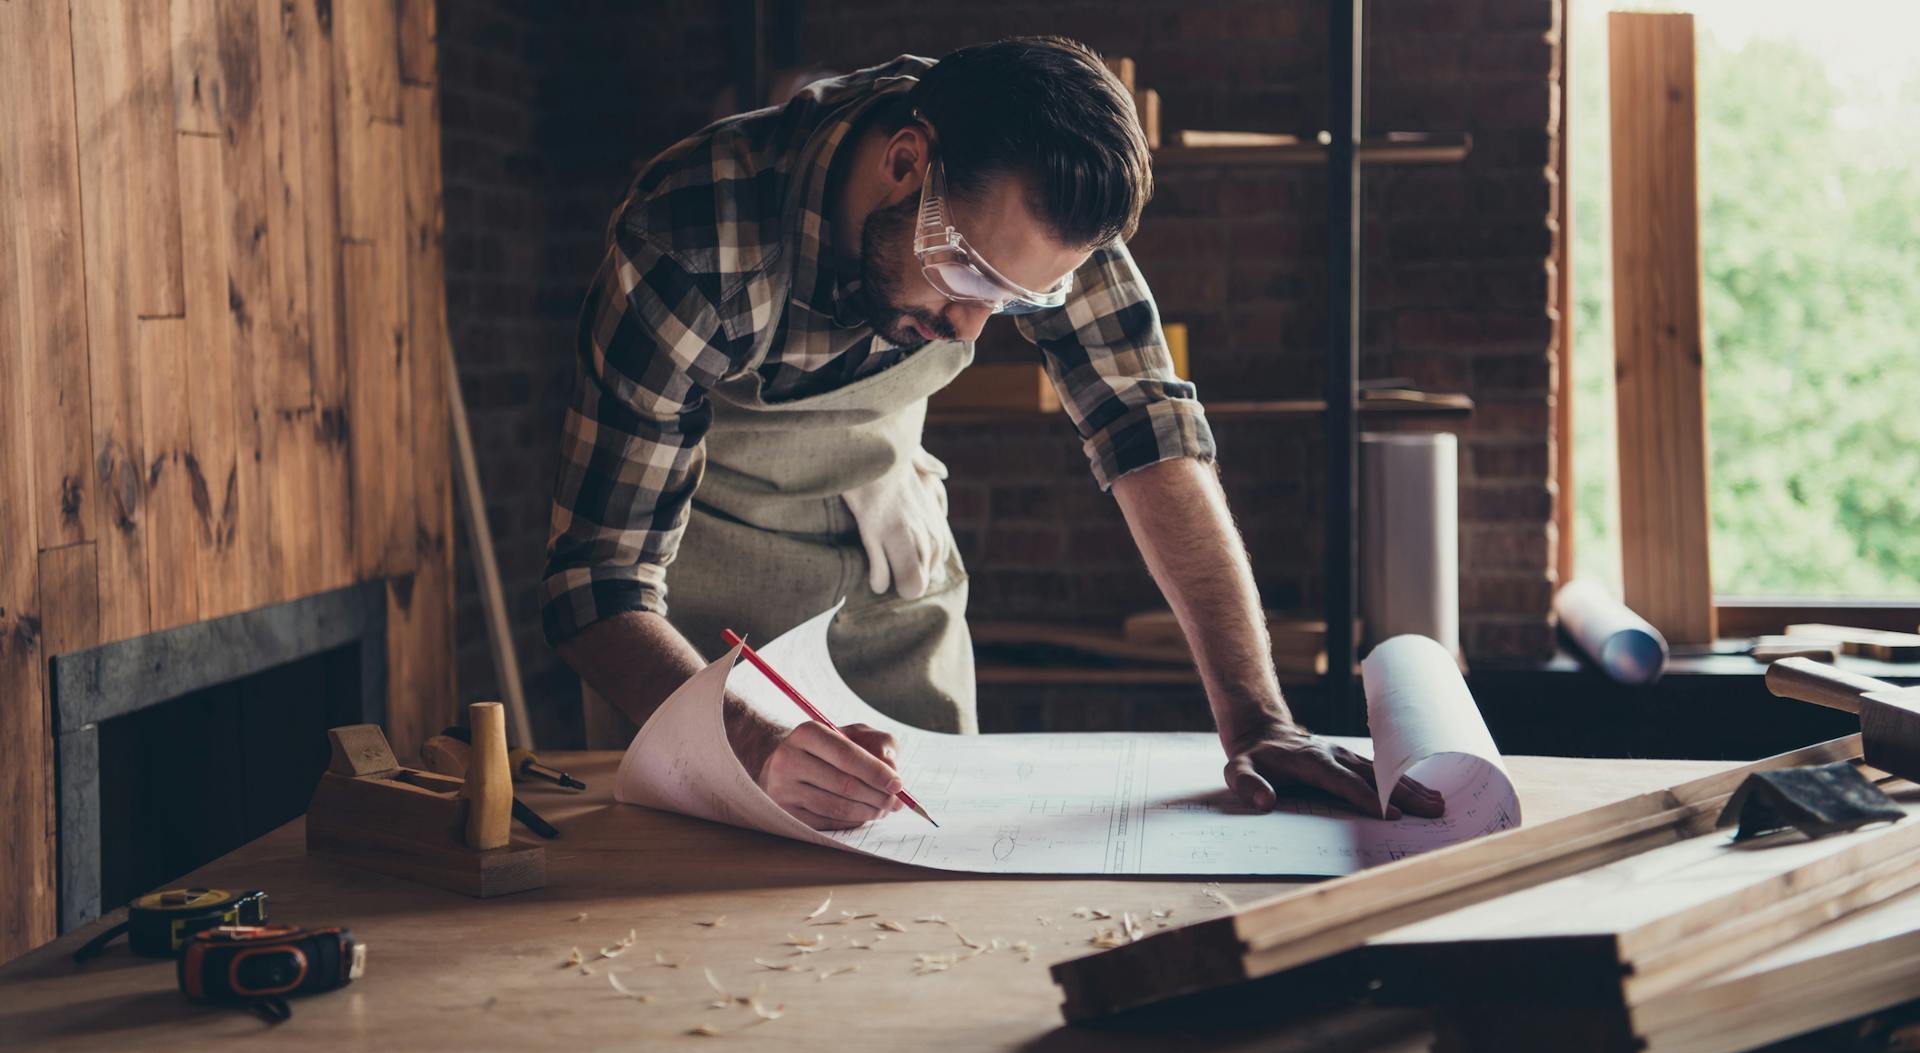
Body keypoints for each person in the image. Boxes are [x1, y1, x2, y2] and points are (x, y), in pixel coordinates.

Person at [543, 36, 1443, 832]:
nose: (973, 330)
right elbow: (599, 583)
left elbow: (1147, 431)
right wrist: (746, 734)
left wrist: (1258, 718)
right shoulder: (696, 236)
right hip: (695, 621)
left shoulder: (1037, 203)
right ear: (906, 163)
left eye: (1016, 302)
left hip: (887, 570)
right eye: (966, 277)